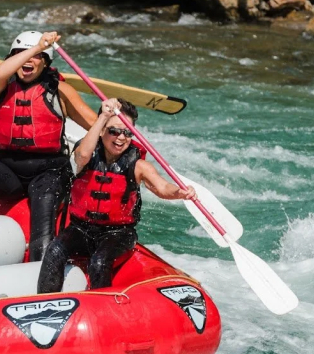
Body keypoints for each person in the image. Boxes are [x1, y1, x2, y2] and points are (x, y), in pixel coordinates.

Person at [0, 31, 98, 261]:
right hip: (8, 168)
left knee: (44, 209)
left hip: (49, 171)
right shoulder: (2, 86)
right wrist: (35, 49)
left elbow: (94, 124)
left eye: (36, 56)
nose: (28, 60)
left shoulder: (60, 91)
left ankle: (39, 271)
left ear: (46, 62)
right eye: (19, 55)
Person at [37, 100, 196, 293]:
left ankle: (101, 309)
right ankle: (45, 302)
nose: (121, 137)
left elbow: (162, 187)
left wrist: (180, 192)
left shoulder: (138, 165)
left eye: (127, 132)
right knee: (54, 251)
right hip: (81, 228)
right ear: (102, 131)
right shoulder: (85, 155)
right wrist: (103, 115)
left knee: (99, 261)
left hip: (118, 234)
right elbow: (81, 156)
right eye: (114, 131)